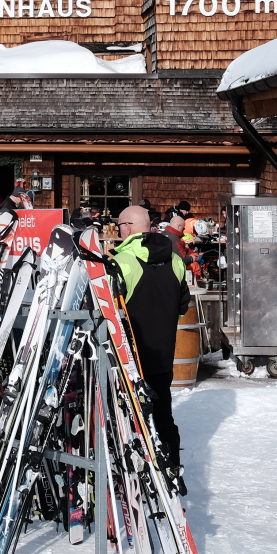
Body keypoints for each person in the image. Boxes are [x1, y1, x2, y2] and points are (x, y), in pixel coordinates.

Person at [111, 204, 191, 494]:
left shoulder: (123, 263)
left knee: (129, 421)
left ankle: (133, 478)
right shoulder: (175, 260)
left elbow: (108, 313)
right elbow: (183, 306)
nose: (118, 232)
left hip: (129, 363)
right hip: (162, 357)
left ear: (129, 227)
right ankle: (172, 469)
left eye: (119, 226)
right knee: (163, 415)